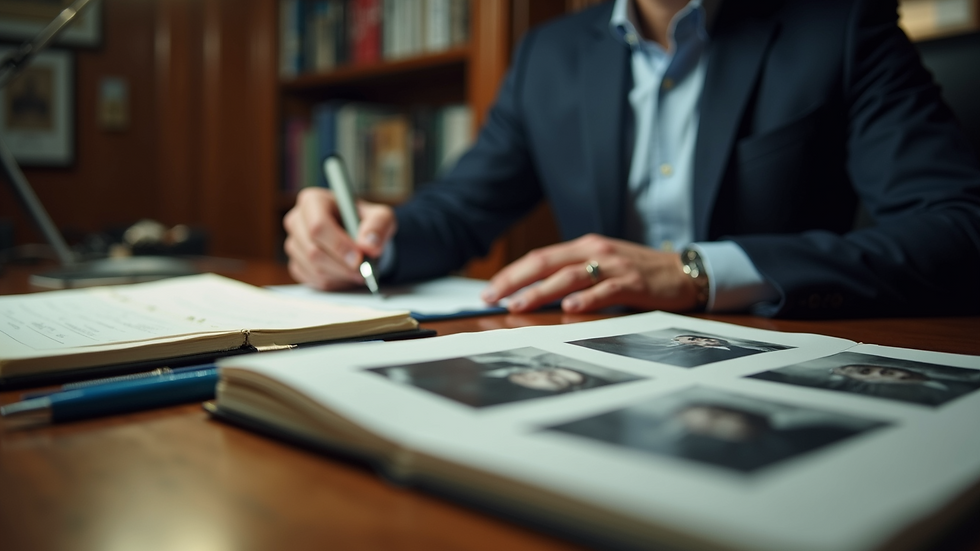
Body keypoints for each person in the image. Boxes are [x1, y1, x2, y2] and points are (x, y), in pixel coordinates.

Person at [283, 0, 980, 318]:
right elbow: (462, 207)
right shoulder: (549, 55)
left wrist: (697, 271)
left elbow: (959, 228)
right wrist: (371, 240)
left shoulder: (841, 24)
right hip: (589, 364)